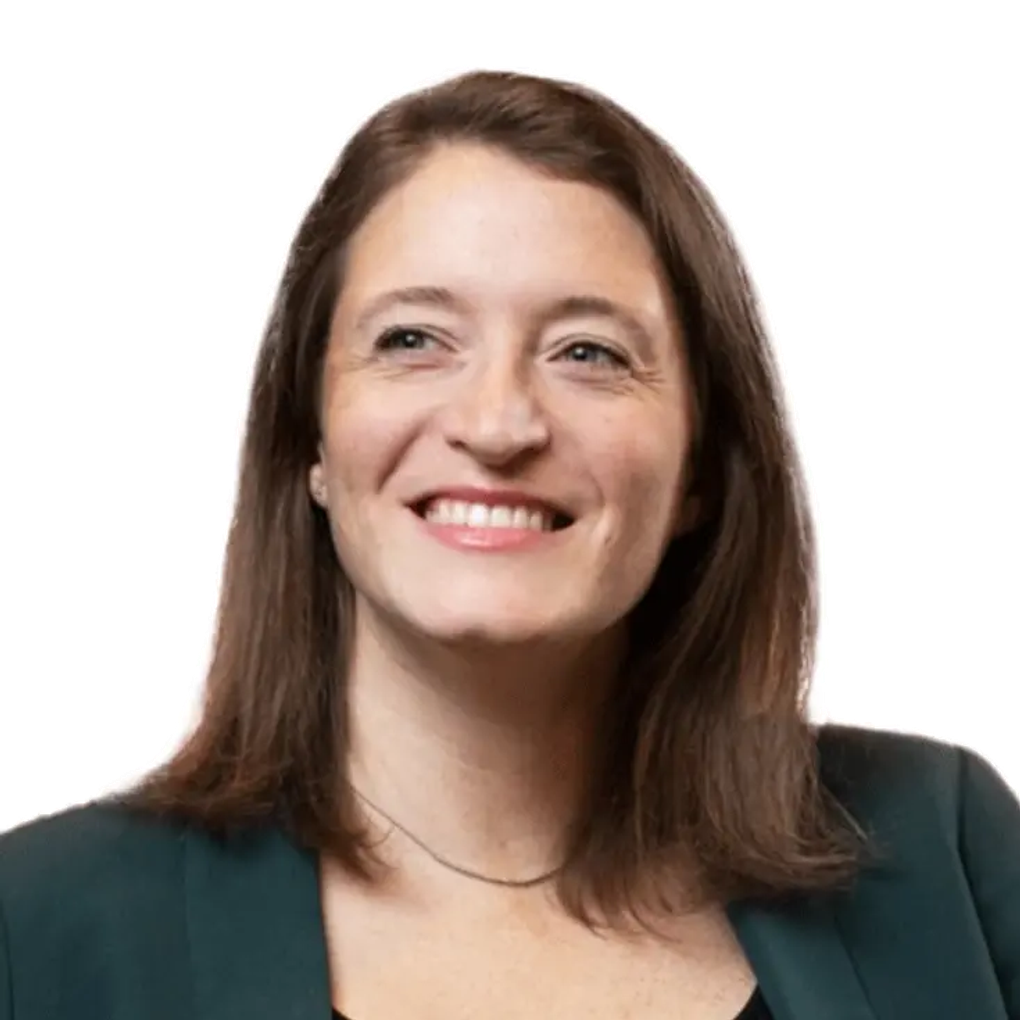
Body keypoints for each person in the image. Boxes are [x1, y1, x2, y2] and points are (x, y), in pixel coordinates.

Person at [1, 67, 1017, 1020]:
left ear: (701, 470)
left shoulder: (945, 850)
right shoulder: (35, 925)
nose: (497, 425)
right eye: (412, 340)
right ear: (310, 438)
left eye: (588, 352)